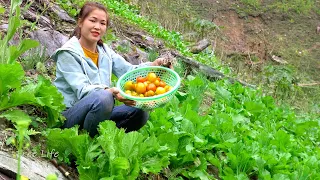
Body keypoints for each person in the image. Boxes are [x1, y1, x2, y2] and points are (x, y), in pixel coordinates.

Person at [51, 2, 170, 137]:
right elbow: (82, 90)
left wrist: (154, 66)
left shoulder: (105, 51)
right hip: (69, 115)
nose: (97, 27)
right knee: (104, 97)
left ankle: (101, 144)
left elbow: (129, 71)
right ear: (80, 22)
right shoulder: (67, 53)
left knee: (140, 111)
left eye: (102, 23)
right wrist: (111, 92)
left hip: (98, 109)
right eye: (92, 21)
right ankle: (83, 142)